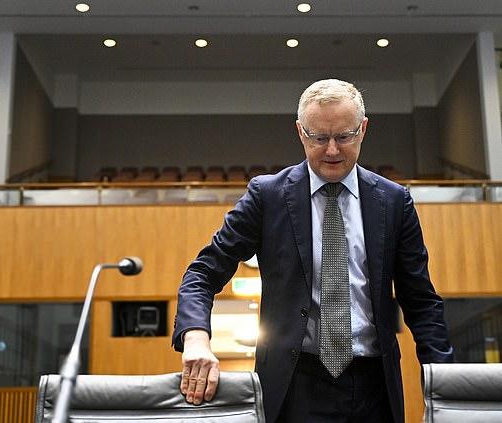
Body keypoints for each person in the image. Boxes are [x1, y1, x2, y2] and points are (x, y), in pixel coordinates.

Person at [172, 79, 453, 423]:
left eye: (344, 137)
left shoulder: (393, 201)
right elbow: (202, 274)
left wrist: (444, 379)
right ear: (300, 133)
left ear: (363, 129)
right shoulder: (268, 196)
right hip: (294, 384)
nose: (332, 150)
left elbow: (420, 299)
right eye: (319, 138)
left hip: (373, 387)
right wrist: (196, 339)